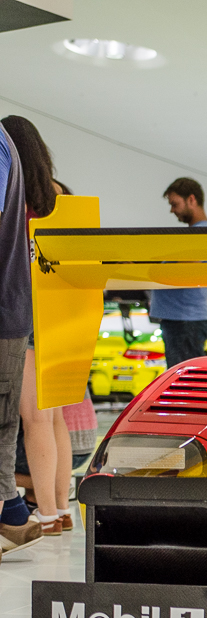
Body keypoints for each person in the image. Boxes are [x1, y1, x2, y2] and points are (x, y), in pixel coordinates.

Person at [3, 116, 73, 536]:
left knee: (34, 420)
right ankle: (62, 509)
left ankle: (45, 513)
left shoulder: (15, 197)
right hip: (60, 314)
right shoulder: (59, 196)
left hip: (24, 310)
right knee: (55, 418)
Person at [0, 119, 41, 553]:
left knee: (14, 420)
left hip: (7, 311)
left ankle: (12, 509)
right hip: (19, 310)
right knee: (17, 420)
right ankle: (17, 510)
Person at [151, 178, 207, 367]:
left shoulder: (201, 233)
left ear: (191, 199)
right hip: (181, 320)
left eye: (175, 204)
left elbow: (183, 271)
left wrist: (147, 272)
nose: (172, 210)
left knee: (184, 379)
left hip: (184, 321)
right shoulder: (196, 233)